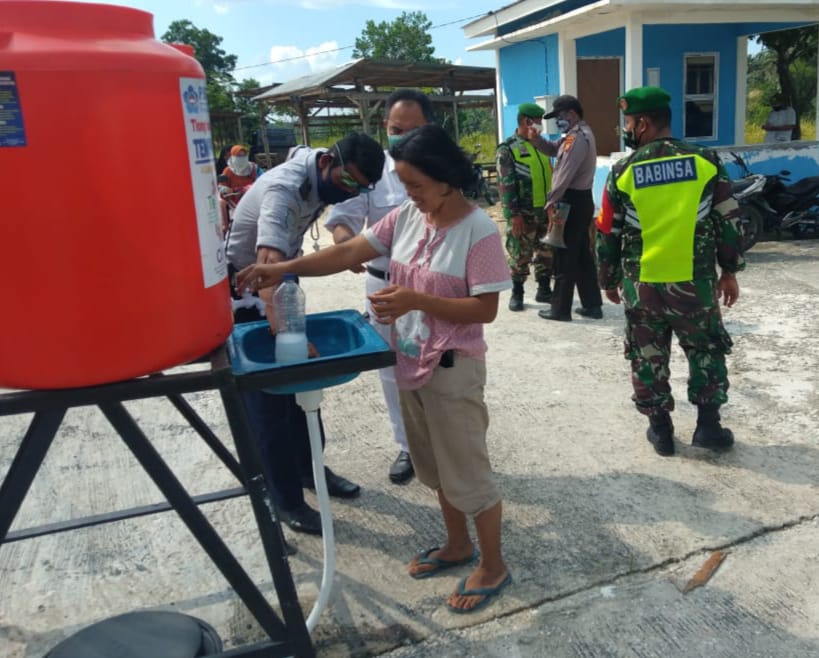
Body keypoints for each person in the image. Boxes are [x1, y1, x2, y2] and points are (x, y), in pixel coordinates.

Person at [237, 124, 513, 614]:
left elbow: (485, 310)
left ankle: (492, 564)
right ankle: (457, 545)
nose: (409, 194)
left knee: (468, 474)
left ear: (446, 178)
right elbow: (347, 251)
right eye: (405, 185)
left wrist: (415, 299)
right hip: (410, 362)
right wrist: (281, 269)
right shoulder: (407, 217)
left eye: (416, 185)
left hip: (453, 370)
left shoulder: (479, 231)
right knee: (434, 470)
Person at [226, 132, 385, 535]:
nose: (347, 191)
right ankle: (285, 499)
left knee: (300, 398)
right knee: (272, 401)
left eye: (359, 188)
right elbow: (266, 264)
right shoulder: (284, 189)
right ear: (326, 162)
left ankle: (309, 470)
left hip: (282, 283)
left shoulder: (322, 174)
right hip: (246, 294)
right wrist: (285, 332)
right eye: (346, 181)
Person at [595, 86, 745, 457]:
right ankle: (708, 428)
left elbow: (607, 231)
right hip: (695, 286)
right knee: (706, 350)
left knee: (648, 356)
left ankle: (660, 432)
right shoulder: (705, 161)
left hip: (641, 286)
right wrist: (729, 270)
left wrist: (608, 279)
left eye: (628, 122)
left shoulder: (623, 171)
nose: (626, 129)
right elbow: (728, 219)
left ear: (643, 123)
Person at [324, 89, 435, 485]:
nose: (401, 137)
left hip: (435, 290)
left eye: (412, 129)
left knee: (443, 364)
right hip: (385, 288)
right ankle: (408, 445)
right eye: (395, 129)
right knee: (391, 370)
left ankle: (444, 441)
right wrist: (344, 244)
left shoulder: (445, 169)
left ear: (431, 129)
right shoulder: (374, 172)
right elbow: (343, 217)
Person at [528, 95, 604, 322]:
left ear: (571, 114)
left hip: (570, 201)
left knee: (563, 255)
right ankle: (592, 305)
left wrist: (550, 203)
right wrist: (536, 140)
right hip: (580, 201)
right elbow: (553, 150)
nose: (557, 122)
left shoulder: (577, 139)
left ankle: (560, 309)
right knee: (581, 255)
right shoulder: (575, 135)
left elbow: (563, 176)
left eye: (559, 117)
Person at [496, 102, 554, 311]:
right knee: (520, 254)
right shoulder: (508, 149)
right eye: (538, 122)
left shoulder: (542, 146)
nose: (540, 126)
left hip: (545, 210)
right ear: (527, 121)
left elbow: (551, 175)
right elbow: (505, 184)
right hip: (524, 213)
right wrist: (513, 214)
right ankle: (517, 292)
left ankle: (544, 289)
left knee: (546, 251)